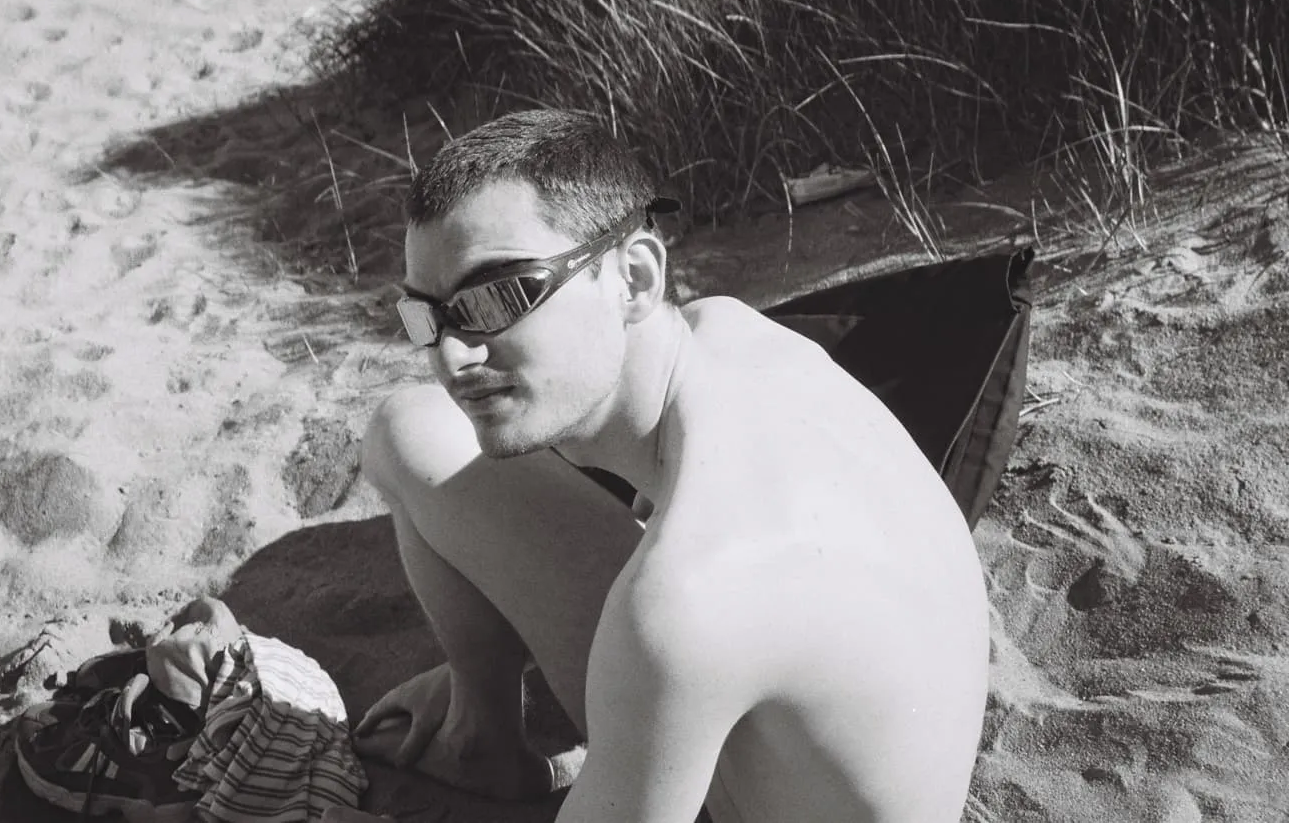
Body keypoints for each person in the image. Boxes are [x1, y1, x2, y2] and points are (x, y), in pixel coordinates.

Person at [354, 109, 990, 823]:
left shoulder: (685, 595)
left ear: (635, 277)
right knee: (410, 430)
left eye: (498, 297)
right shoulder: (728, 333)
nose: (453, 357)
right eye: (427, 317)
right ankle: (482, 732)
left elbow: (688, 608)